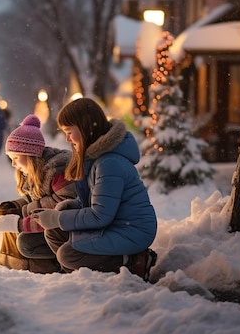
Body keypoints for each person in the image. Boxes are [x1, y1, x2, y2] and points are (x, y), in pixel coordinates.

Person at [31, 98, 158, 281]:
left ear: (85, 128)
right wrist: (65, 209)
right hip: (114, 223)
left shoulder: (109, 163)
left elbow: (100, 215)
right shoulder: (95, 158)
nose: (67, 139)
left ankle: (134, 261)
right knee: (54, 232)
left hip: (132, 231)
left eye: (69, 131)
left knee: (68, 254)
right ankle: (83, 277)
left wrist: (58, 218)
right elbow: (94, 200)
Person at [0, 115, 76, 274]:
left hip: (66, 228)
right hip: (53, 225)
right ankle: (16, 267)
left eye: (15, 158)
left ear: (29, 154)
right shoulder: (34, 173)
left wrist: (20, 221)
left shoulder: (58, 171)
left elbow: (60, 204)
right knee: (13, 228)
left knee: (25, 241)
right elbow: (34, 197)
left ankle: (57, 265)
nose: (13, 164)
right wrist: (16, 206)